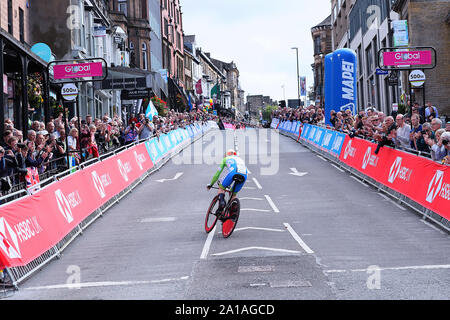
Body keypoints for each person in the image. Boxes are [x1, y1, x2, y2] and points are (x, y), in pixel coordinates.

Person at [207, 149, 248, 217]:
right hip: (245, 175)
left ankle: (222, 203)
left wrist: (211, 184)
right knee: (233, 194)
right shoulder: (240, 159)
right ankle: (233, 211)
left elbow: (217, 174)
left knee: (221, 188)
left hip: (232, 172)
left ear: (226, 155)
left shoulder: (225, 159)